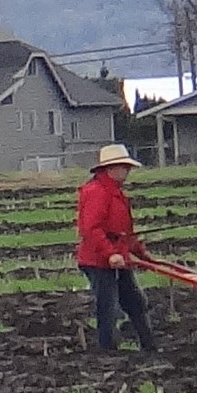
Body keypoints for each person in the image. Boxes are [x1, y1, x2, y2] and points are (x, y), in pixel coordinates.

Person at [75, 144, 158, 357]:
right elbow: (91, 229)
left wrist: (141, 253)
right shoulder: (96, 192)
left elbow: (124, 231)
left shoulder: (116, 193)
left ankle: (149, 347)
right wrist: (110, 254)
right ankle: (108, 352)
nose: (127, 171)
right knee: (108, 307)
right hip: (98, 261)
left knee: (136, 302)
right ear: (111, 168)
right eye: (124, 167)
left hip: (118, 257)